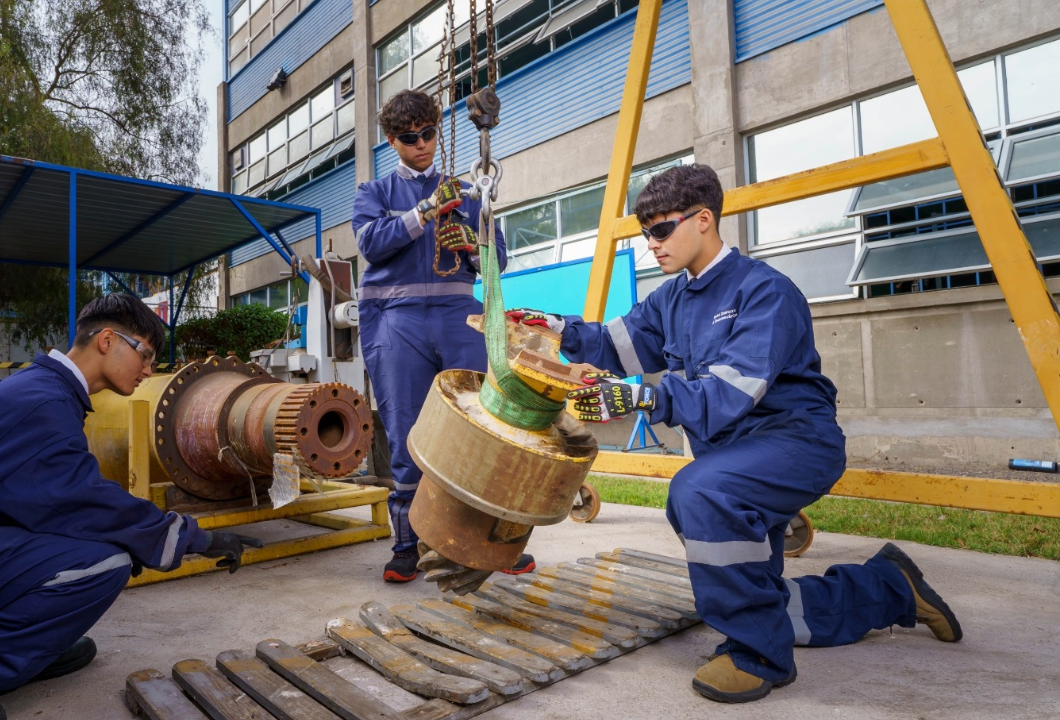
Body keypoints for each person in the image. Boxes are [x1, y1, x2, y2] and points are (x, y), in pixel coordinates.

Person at [506, 164, 961, 703]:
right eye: (644, 232)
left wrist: (648, 396)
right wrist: (557, 328)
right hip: (735, 453)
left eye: (661, 229)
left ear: (703, 220)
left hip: (792, 442)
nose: (651, 243)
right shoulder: (673, 298)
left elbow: (732, 393)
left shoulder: (764, 291)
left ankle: (757, 657)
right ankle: (888, 587)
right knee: (759, 592)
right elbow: (616, 345)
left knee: (698, 491)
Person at [0, 294, 263, 720]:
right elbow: (88, 502)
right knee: (104, 563)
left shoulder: (37, 390)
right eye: (145, 354)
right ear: (106, 340)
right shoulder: (43, 406)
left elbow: (45, 503)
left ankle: (25, 648)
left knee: (87, 544)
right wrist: (196, 537)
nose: (148, 370)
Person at [353, 89, 535, 582]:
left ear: (437, 128)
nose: (423, 145)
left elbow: (496, 256)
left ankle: (491, 540)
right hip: (396, 320)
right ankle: (407, 544)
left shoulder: (469, 193)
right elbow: (371, 243)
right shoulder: (375, 194)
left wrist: (471, 245)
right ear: (393, 141)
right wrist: (426, 213)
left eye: (429, 133)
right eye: (410, 138)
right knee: (407, 427)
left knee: (483, 422)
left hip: (459, 314)